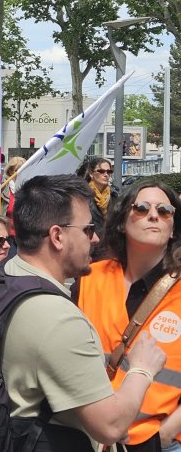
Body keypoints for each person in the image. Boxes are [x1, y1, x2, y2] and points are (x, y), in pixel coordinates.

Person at [4, 174, 167, 449]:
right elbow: (110, 426)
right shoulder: (58, 318)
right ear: (57, 236)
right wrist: (142, 369)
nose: (94, 239)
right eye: (87, 229)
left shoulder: (2, 277)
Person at [78, 179, 181, 450]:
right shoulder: (89, 277)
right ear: (122, 222)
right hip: (92, 435)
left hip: (158, 440)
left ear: (172, 229)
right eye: (142, 207)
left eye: (165, 210)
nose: (153, 215)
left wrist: (166, 433)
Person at [86, 157, 116, 241]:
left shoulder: (115, 195)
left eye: (109, 171)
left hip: (110, 243)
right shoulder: (83, 196)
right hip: (91, 243)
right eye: (101, 171)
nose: (106, 174)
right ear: (91, 174)